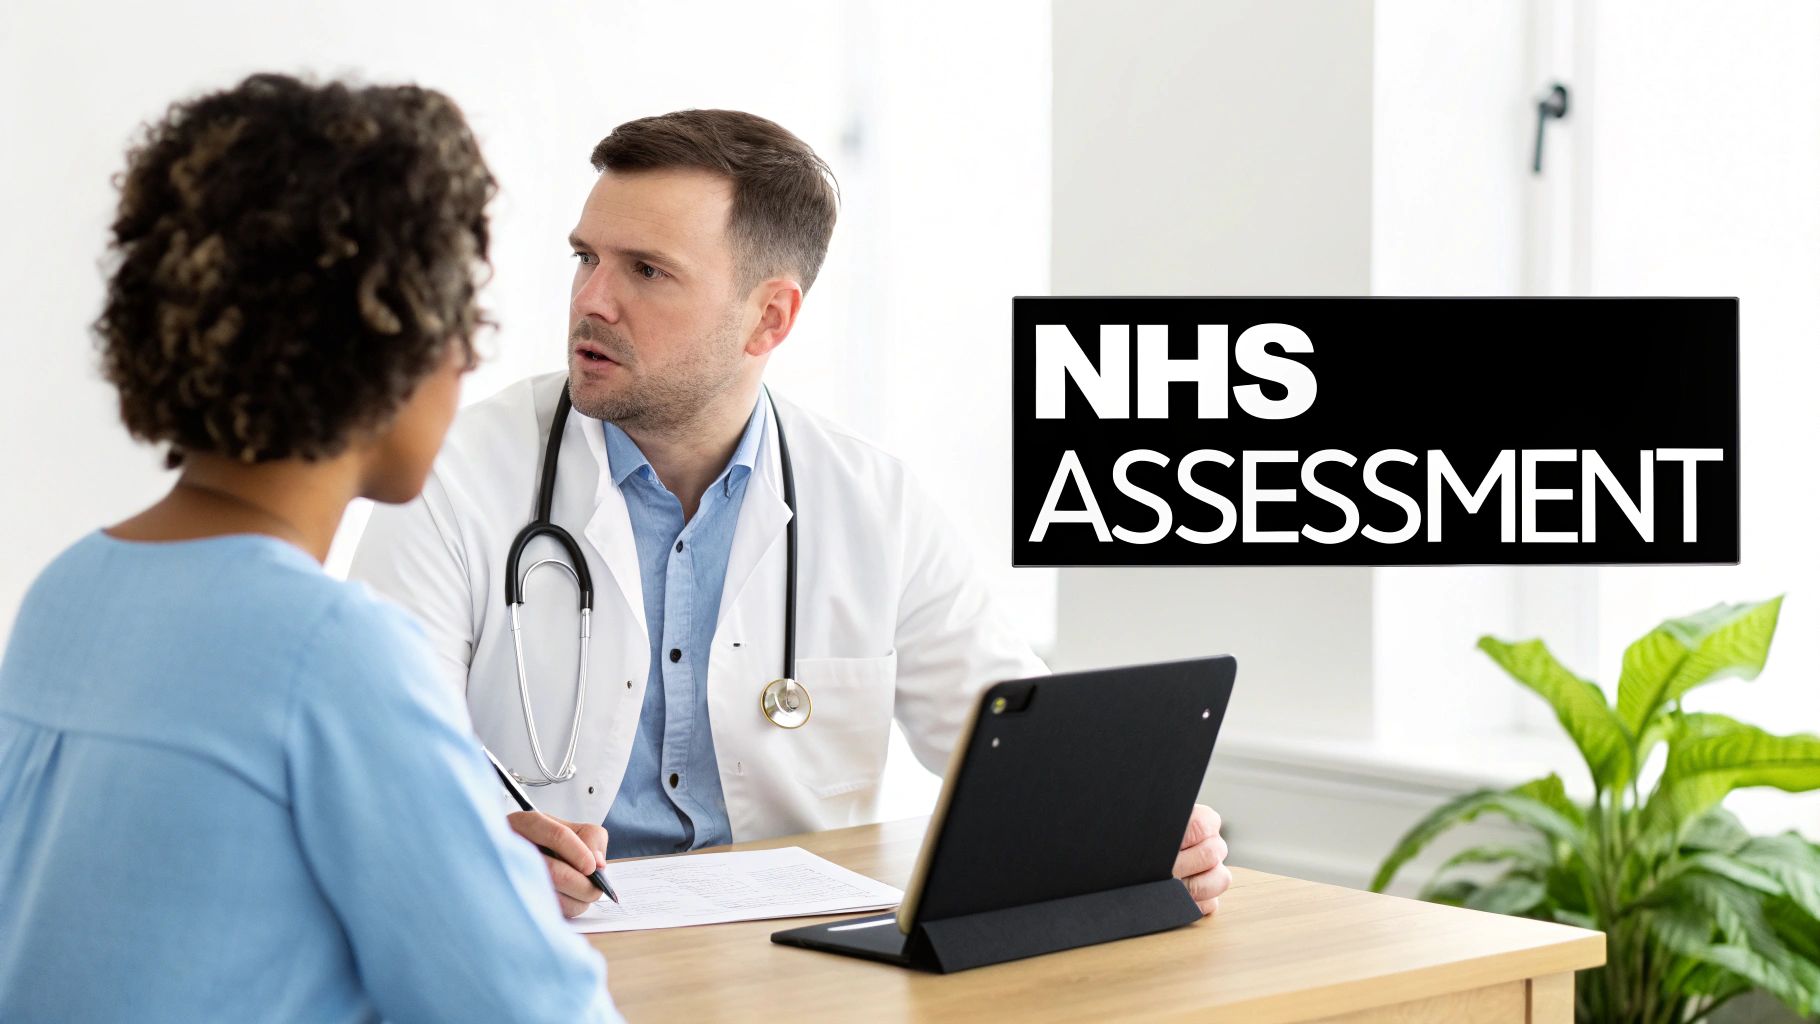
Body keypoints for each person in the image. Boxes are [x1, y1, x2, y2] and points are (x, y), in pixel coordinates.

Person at [350, 109, 1232, 919]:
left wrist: (1137, 830)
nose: (592, 300)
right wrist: (472, 848)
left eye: (647, 271)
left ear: (769, 318)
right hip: (544, 945)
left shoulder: (872, 503)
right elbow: (373, 769)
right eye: (586, 257)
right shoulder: (450, 477)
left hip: (791, 964)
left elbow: (1017, 747)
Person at [0, 74, 619, 1022]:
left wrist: (468, 865)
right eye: (462, 320)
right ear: (392, 343)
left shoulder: (69, 591)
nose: (469, 360)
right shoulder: (331, 653)